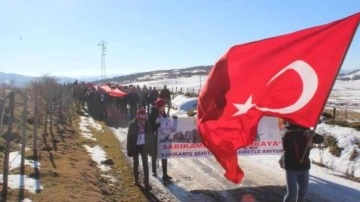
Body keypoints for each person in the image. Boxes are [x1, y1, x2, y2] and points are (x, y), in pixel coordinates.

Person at [281, 121, 323, 202]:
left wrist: (313, 134)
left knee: (302, 195)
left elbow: (320, 139)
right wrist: (304, 133)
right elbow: (287, 135)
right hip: (291, 167)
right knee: (291, 194)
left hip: (304, 167)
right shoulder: (286, 130)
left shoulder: (307, 131)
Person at [151, 98, 178, 182]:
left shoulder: (164, 114)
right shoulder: (153, 114)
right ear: (159, 106)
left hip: (163, 138)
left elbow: (167, 125)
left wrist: (175, 120)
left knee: (164, 154)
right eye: (163, 106)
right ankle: (154, 170)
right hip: (155, 138)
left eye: (165, 106)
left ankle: (165, 174)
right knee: (155, 154)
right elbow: (150, 127)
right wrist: (156, 126)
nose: (165, 107)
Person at [126, 109, 153, 191]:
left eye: (144, 118)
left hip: (144, 146)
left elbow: (150, 137)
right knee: (136, 163)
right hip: (135, 146)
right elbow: (129, 138)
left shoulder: (148, 124)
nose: (142, 120)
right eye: (141, 118)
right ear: (137, 117)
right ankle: (136, 180)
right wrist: (129, 150)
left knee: (145, 164)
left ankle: (146, 183)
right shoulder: (132, 125)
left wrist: (151, 149)